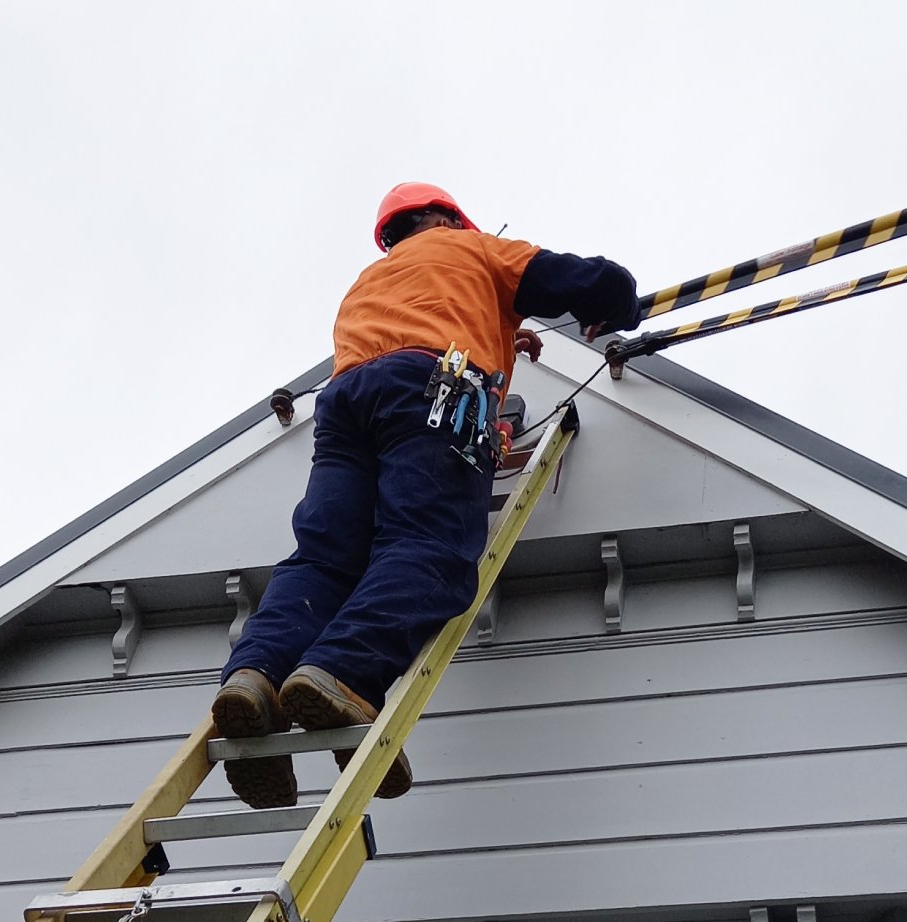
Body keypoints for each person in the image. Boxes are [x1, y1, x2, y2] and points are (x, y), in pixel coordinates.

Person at [212, 182, 641, 809]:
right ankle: (345, 673)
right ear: (447, 218)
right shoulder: (477, 253)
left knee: (325, 558)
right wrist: (619, 304)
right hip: (433, 391)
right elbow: (585, 280)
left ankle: (254, 678)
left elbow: (426, 325)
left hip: (346, 404)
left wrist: (503, 331)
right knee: (428, 548)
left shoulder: (371, 281)